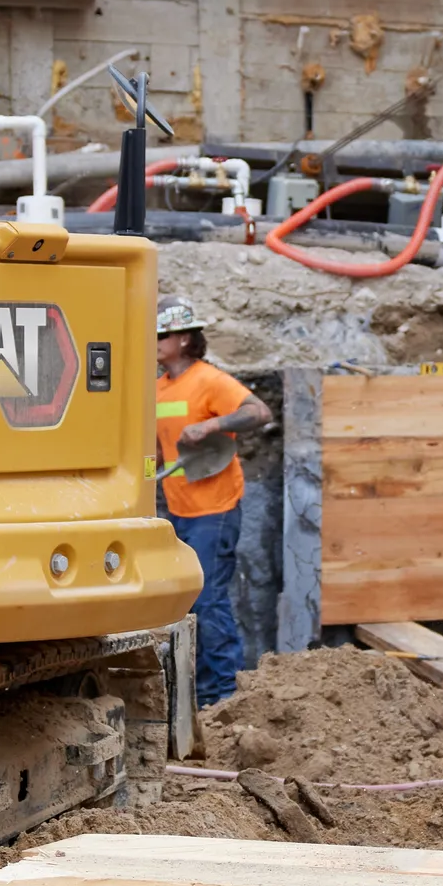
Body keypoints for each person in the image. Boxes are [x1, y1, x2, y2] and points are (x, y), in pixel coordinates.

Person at [152, 298, 271, 707]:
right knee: (187, 603)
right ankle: (201, 693)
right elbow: (160, 448)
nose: (156, 341)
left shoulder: (209, 380)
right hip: (179, 510)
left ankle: (223, 695)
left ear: (185, 339)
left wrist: (212, 424)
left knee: (208, 599)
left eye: (163, 334)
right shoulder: (159, 388)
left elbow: (259, 412)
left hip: (214, 510)